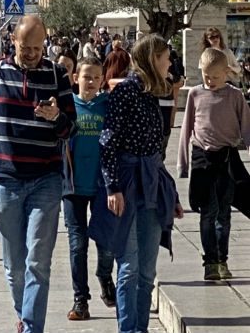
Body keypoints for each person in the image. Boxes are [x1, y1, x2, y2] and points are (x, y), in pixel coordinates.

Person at [0, 16, 76, 333]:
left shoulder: (57, 76)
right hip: (6, 180)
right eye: (25, 47)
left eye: (37, 48)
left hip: (46, 179)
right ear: (13, 40)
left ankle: (30, 327)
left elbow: (72, 129)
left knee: (37, 261)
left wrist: (56, 118)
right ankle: (24, 313)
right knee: (14, 265)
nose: (31, 53)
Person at [90, 34, 183, 333]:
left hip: (151, 184)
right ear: (152, 59)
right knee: (128, 267)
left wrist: (172, 193)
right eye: (166, 57)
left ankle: (140, 328)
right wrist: (113, 187)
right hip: (128, 185)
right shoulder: (126, 92)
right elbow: (108, 143)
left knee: (147, 271)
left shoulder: (154, 94)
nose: (169, 62)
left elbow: (156, 151)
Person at [177, 47, 250, 281]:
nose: (210, 81)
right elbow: (186, 128)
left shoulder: (235, 95)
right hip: (202, 158)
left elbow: (247, 126)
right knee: (207, 212)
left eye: (215, 77)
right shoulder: (195, 95)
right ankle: (210, 262)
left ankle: (222, 259)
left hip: (227, 158)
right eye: (206, 76)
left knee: (224, 213)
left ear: (226, 73)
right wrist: (183, 163)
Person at [62, 56, 116, 321]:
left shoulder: (108, 105)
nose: (91, 81)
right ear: (76, 78)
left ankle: (105, 275)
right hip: (72, 186)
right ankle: (80, 299)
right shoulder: (67, 106)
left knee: (105, 241)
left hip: (102, 184)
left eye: (96, 77)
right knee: (77, 243)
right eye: (86, 76)